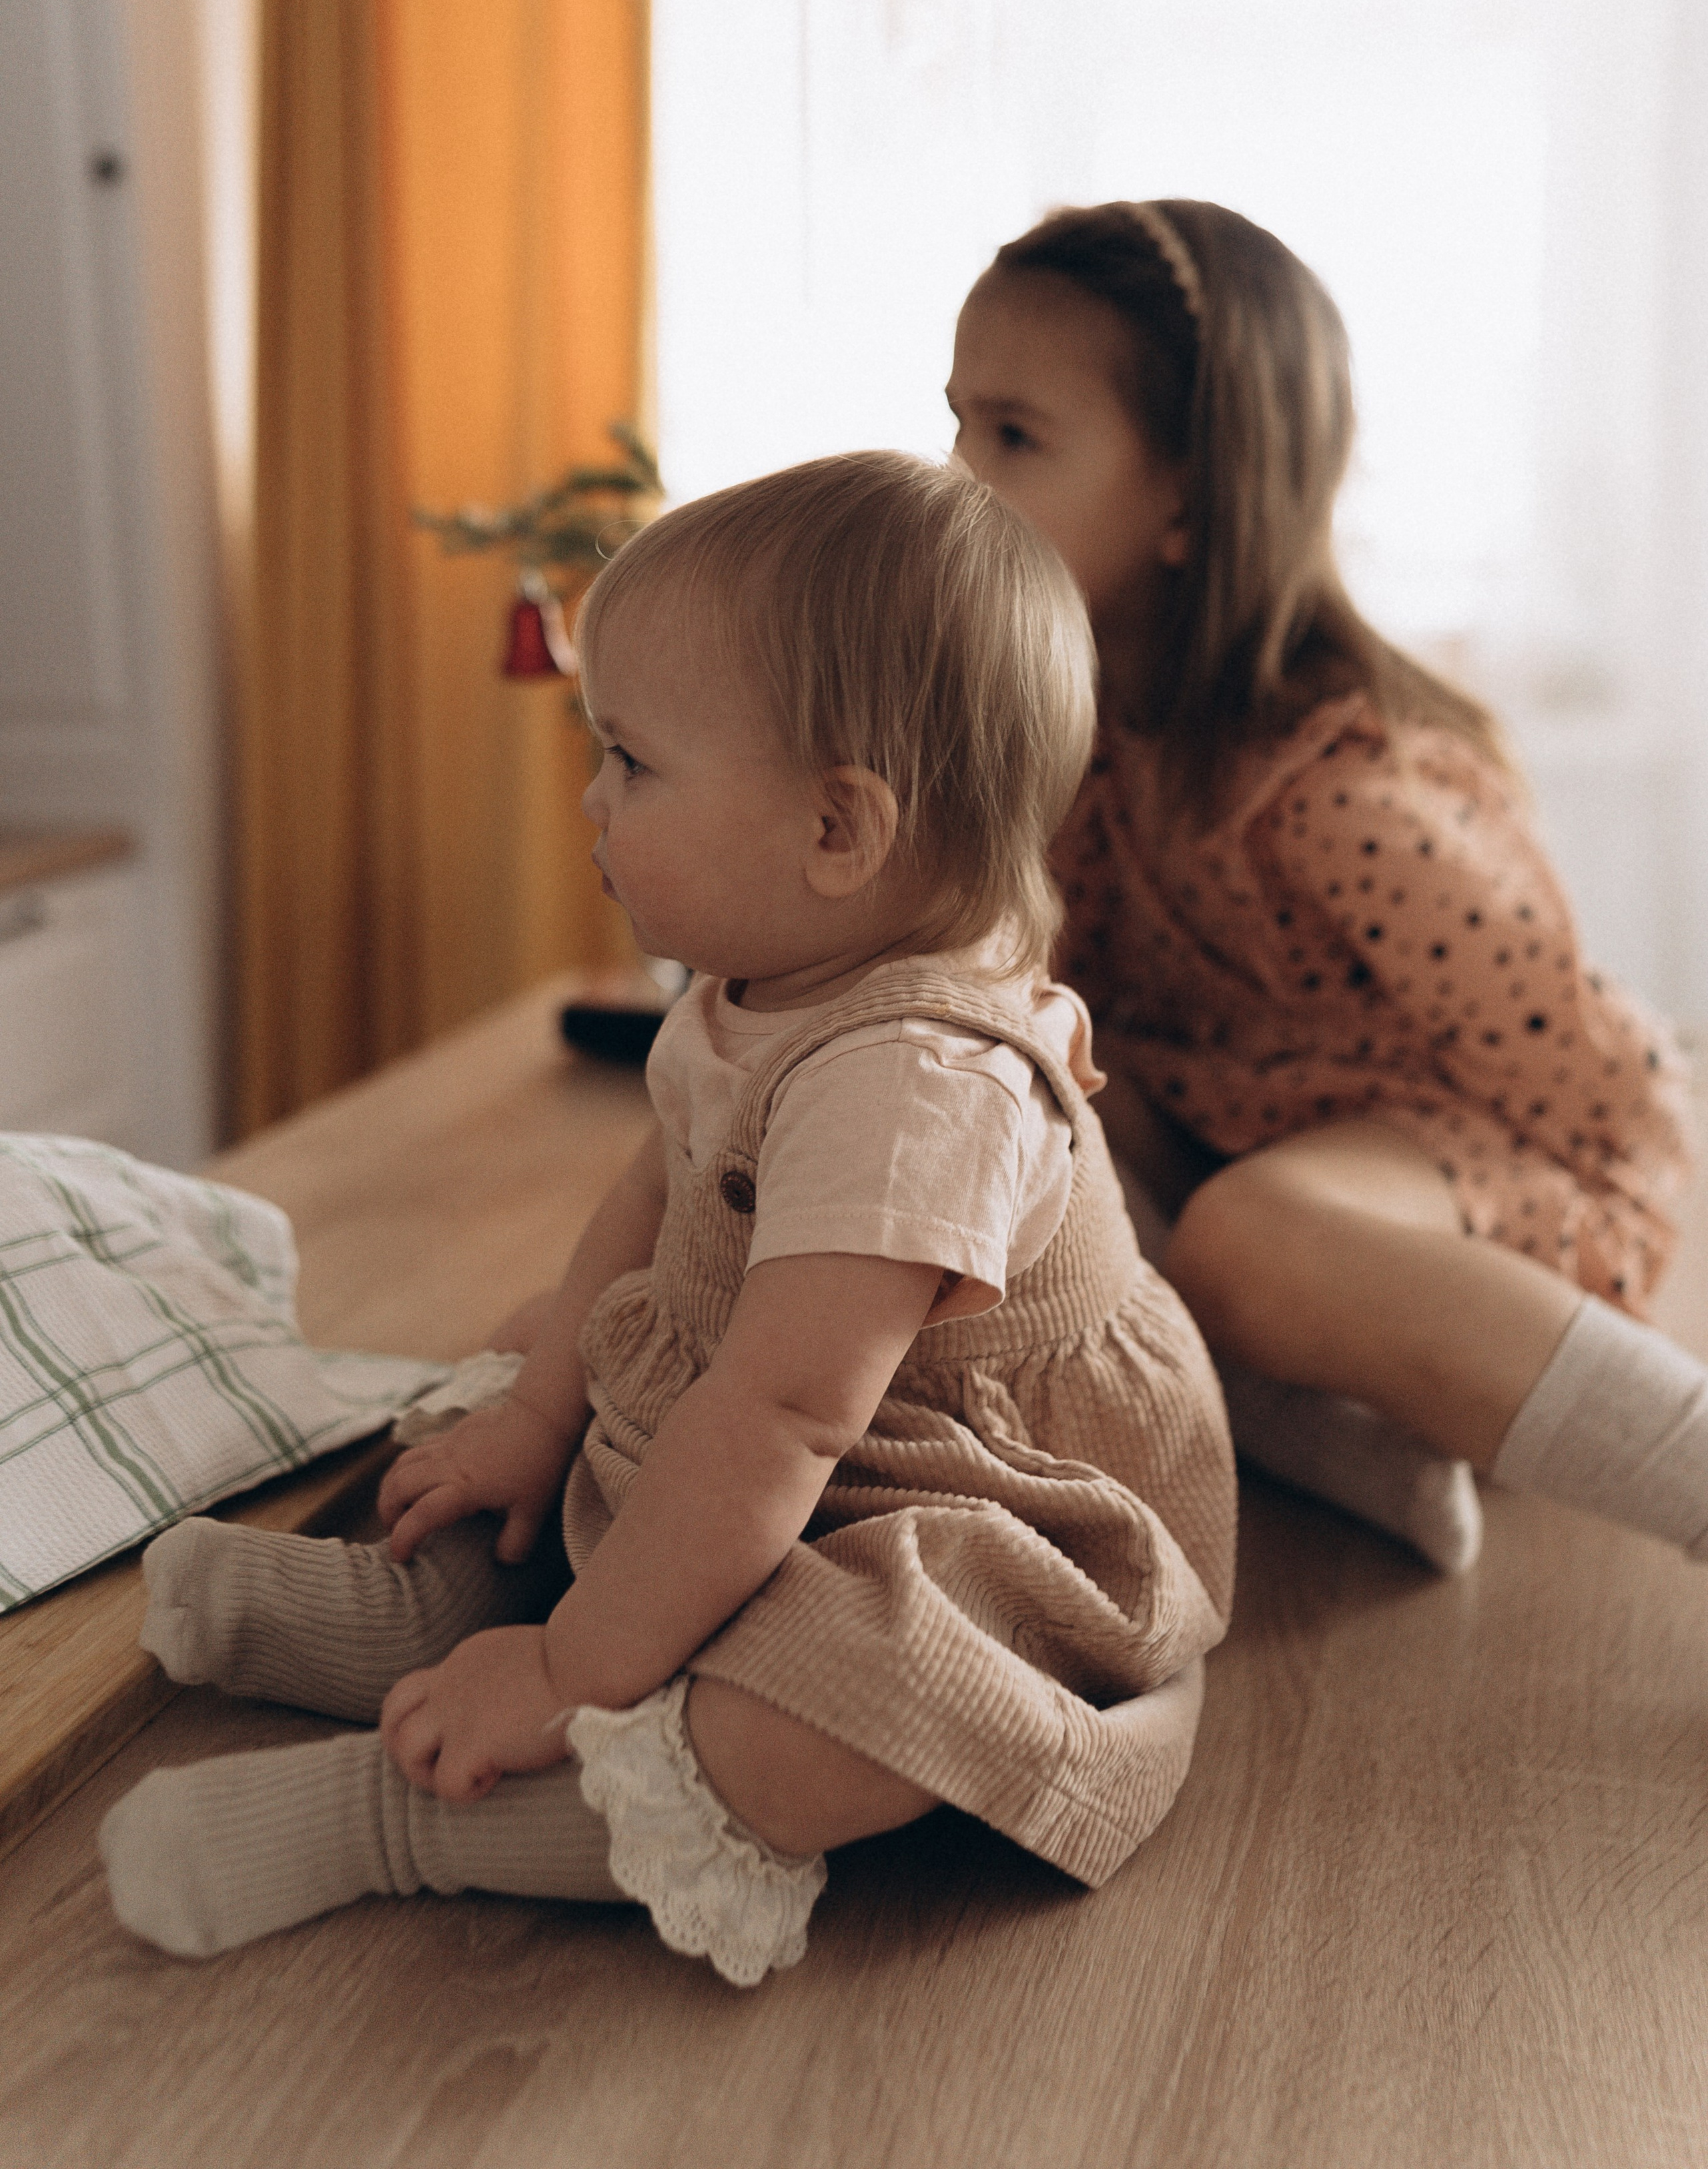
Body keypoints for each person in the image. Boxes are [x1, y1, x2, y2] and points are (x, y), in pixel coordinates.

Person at [101, 452, 1236, 1986]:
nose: (590, 799)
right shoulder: (761, 981)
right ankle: (419, 1623)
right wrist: (540, 1411)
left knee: (821, 1720)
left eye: (632, 762)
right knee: (550, 1390)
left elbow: (779, 1419)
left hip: (968, 1494)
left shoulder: (916, 1089)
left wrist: (573, 1674)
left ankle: (407, 1820)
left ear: (838, 832)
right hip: (803, 1432)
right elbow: (648, 1204)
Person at [947, 198, 1697, 1577]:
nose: (954, 478)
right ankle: (1334, 1432)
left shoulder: (1342, 793)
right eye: (955, 423)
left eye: (1011, 437)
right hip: (1243, 1126)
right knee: (991, 1115)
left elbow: (1582, 1102)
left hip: (1483, 1167)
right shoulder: (1083, 730)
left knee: (1246, 1242)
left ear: (1186, 489)